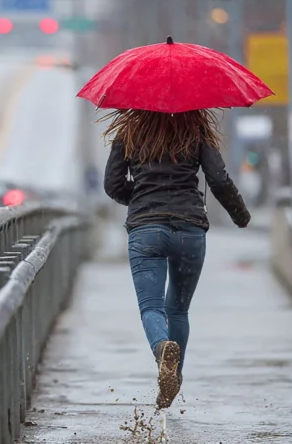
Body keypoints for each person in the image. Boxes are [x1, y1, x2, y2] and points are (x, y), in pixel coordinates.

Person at [102, 108, 251, 409]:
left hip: (146, 230)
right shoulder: (195, 129)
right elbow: (219, 180)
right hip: (190, 230)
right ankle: (174, 376)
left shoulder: (130, 131)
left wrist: (144, 195)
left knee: (152, 308)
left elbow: (113, 185)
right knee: (179, 310)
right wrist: (240, 215)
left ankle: (161, 351)